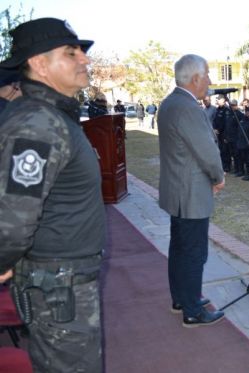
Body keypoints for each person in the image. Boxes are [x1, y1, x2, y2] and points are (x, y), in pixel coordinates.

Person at [0, 17, 105, 372]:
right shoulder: (37, 123)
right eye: (70, 53)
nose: (84, 60)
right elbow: (12, 218)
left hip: (63, 279)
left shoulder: (51, 116)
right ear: (39, 64)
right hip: (58, 284)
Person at [158, 54, 225, 327]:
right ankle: (193, 310)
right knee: (194, 252)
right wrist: (218, 176)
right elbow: (206, 151)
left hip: (178, 190)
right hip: (191, 192)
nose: (209, 81)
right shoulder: (187, 107)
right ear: (195, 78)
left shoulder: (170, 103)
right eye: (207, 75)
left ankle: (181, 298)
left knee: (180, 248)